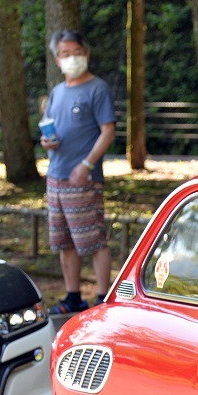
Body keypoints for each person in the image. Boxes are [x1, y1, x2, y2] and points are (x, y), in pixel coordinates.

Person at [41, 29, 116, 314]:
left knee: (93, 239)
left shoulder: (98, 88)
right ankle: (73, 297)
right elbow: (48, 127)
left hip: (84, 179)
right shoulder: (57, 92)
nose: (71, 58)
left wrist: (87, 164)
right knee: (64, 241)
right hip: (56, 176)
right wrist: (46, 141)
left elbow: (107, 131)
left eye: (75, 52)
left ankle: (103, 298)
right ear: (57, 60)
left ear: (85, 54)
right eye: (64, 54)